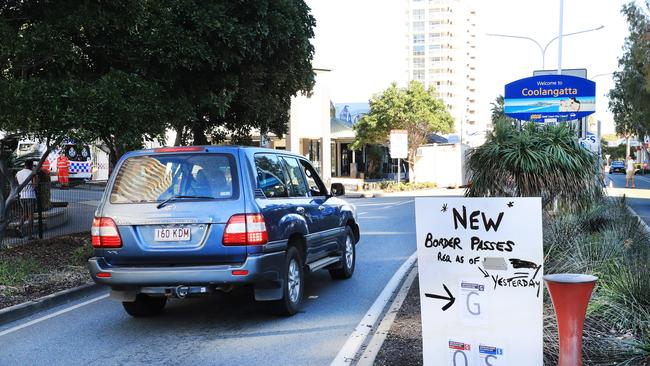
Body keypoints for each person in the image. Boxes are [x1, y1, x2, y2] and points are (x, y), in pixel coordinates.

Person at [15, 160, 38, 239]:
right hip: (30, 196)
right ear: (31, 165)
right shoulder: (32, 174)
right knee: (31, 216)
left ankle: (18, 227)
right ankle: (30, 235)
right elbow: (35, 186)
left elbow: (16, 183)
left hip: (22, 196)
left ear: (24, 165)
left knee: (25, 214)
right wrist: (36, 178)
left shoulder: (18, 173)